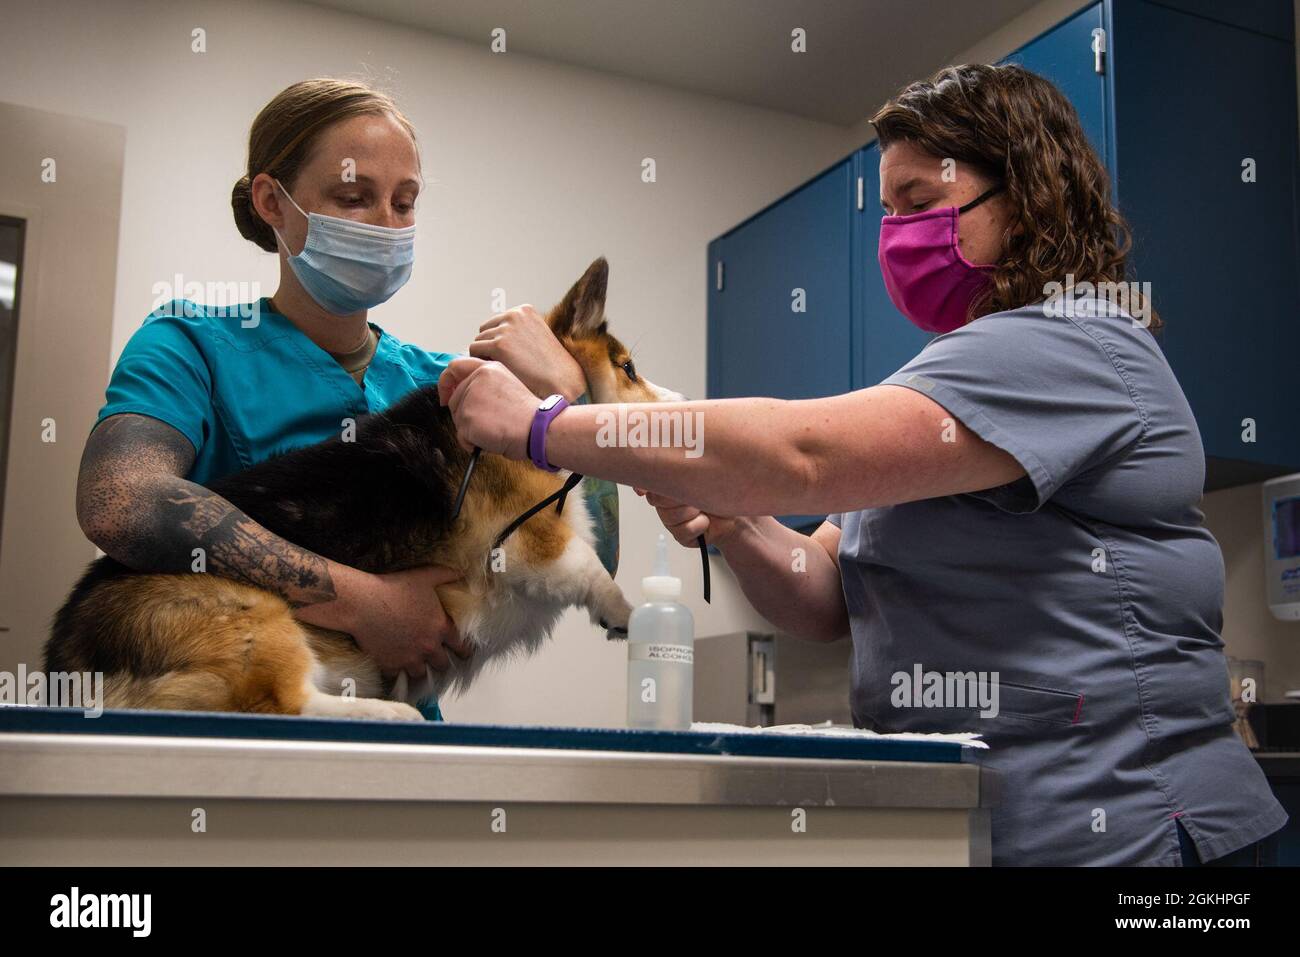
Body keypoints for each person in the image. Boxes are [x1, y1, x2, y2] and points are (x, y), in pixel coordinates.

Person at [438, 63, 1288, 865]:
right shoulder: (946, 382)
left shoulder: (1074, 342)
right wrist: (735, 522)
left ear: (1025, 198)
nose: (896, 234)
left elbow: (798, 457)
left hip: (1134, 831)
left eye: (920, 200)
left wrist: (547, 422)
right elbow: (823, 589)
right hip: (990, 826)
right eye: (887, 209)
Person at [76, 78, 617, 720]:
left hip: (399, 740)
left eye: (405, 202)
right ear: (273, 202)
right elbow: (122, 505)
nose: (388, 225)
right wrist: (362, 602)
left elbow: (593, 556)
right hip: (234, 714)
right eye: (355, 197)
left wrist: (565, 395)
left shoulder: (446, 383)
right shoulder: (188, 344)